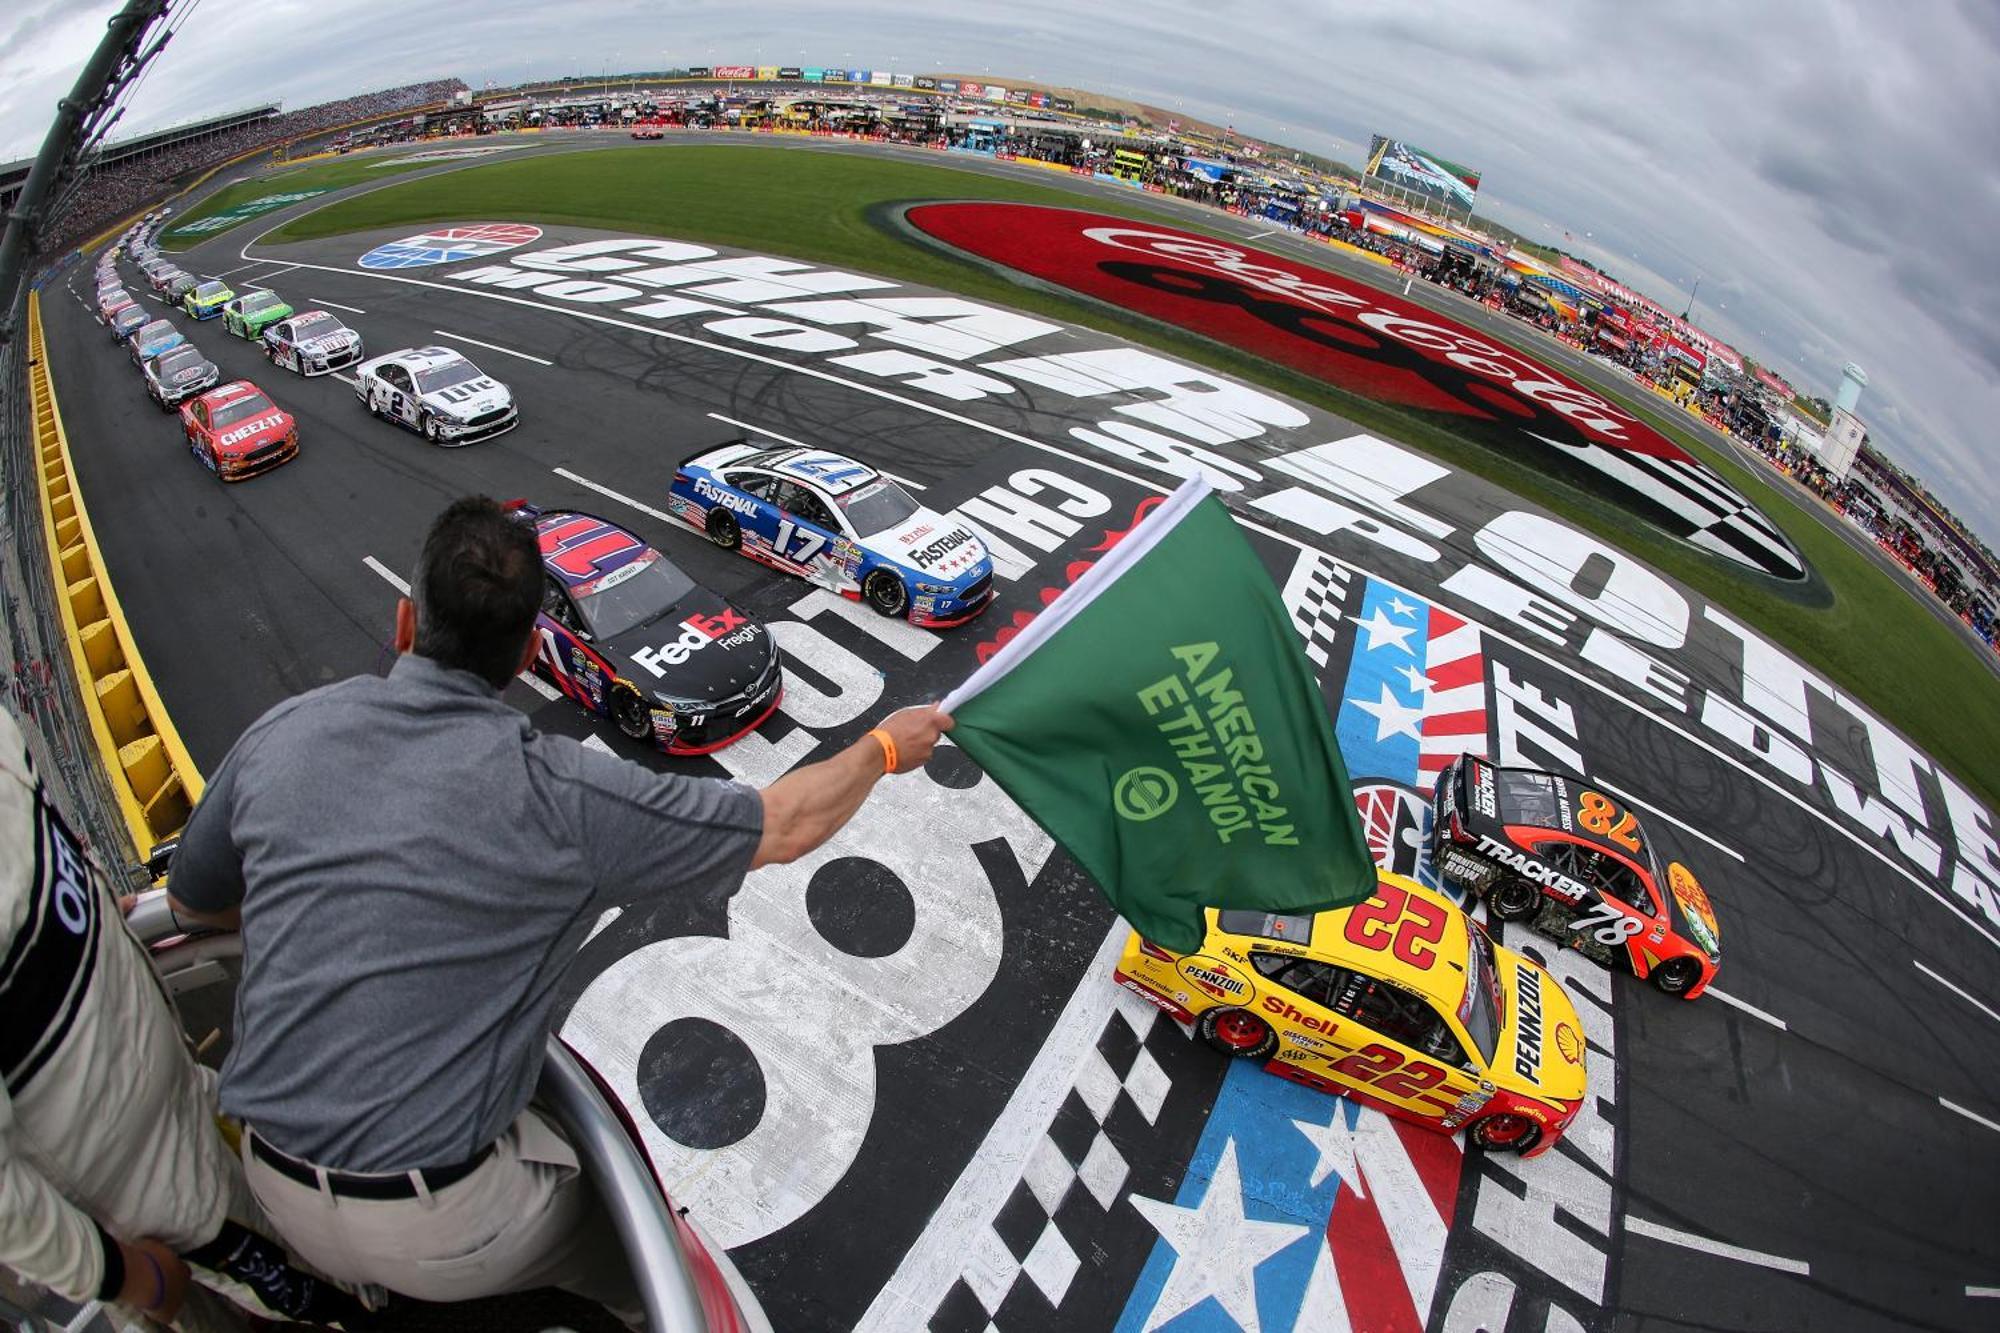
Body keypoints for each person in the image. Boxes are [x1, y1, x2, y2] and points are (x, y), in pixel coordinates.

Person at [166, 495, 951, 1324]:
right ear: (530, 650)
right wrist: (886, 747)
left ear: (405, 621)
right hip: (441, 1220)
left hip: (265, 1175)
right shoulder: (564, 793)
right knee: (655, 1261)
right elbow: (789, 823)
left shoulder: (282, 731)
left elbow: (192, 899)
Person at [0, 707, 368, 1331]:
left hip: (182, 1095)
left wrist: (87, 910)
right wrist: (125, 1276)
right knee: (318, 1298)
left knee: (311, 1250)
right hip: (148, 1199)